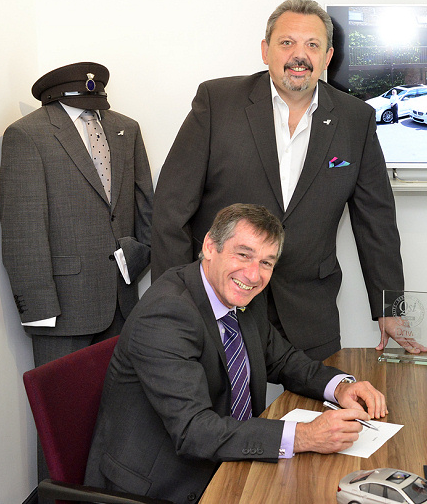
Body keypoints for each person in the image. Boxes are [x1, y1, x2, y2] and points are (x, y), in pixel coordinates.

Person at [151, 0, 422, 360]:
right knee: (217, 414)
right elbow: (171, 209)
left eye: (312, 45)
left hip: (310, 310)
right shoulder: (218, 102)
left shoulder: (355, 119)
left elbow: (376, 222)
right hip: (217, 302)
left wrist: (390, 306)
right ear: (265, 51)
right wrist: (175, 299)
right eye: (287, 43)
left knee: (316, 409)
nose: (300, 55)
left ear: (327, 58)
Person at [85, 204, 387, 503]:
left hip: (227, 463)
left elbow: (282, 359)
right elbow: (194, 431)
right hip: (162, 486)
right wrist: (305, 436)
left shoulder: (240, 295)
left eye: (267, 263)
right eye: (243, 254)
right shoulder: (168, 313)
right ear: (210, 246)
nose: (254, 274)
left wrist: (341, 386)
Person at [0, 62, 153, 368]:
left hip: (123, 303)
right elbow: (23, 232)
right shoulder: (28, 134)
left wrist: (136, 261)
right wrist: (39, 311)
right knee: (62, 412)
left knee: (123, 408)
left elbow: (146, 206)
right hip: (62, 311)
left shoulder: (126, 128)